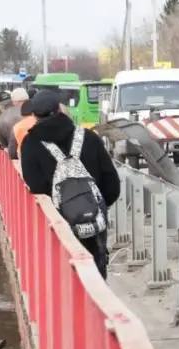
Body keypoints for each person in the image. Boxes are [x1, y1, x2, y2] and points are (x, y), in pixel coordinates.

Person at [20, 89, 120, 277]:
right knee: (95, 273)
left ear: (34, 115)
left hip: (57, 226)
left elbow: (35, 186)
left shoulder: (30, 144)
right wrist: (94, 207)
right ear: (60, 109)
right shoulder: (89, 138)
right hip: (93, 219)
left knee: (62, 277)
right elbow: (112, 185)